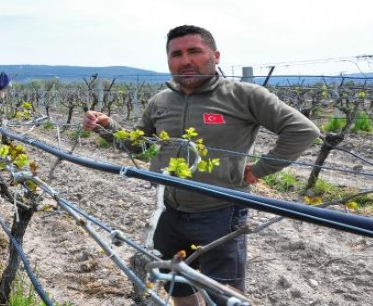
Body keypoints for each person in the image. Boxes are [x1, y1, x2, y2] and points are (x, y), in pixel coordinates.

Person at [83, 25, 320, 306]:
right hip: (170, 209)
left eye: (194, 51)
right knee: (175, 282)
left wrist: (260, 169)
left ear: (215, 56)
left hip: (221, 212)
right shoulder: (161, 100)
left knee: (223, 295)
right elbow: (141, 145)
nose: (185, 60)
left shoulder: (243, 95)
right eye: (176, 54)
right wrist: (108, 127)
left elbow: (303, 130)